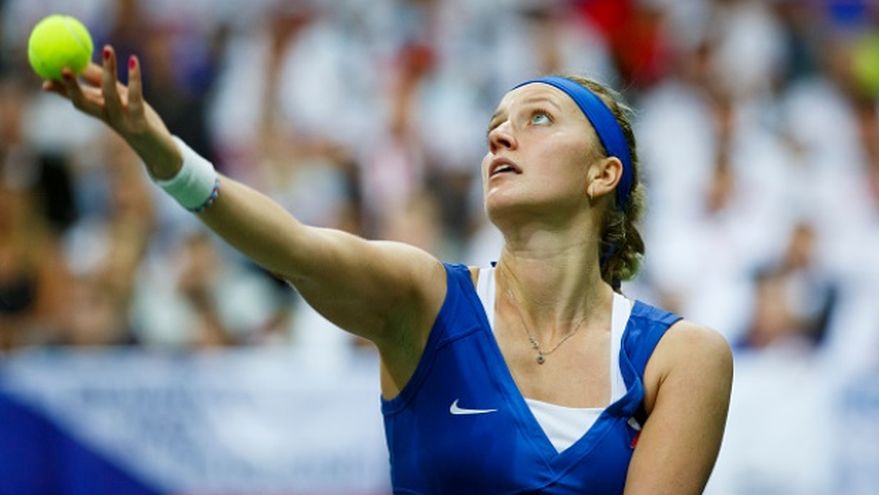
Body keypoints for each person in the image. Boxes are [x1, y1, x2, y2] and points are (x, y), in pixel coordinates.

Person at [44, 45, 733, 494]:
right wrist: (165, 155)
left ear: (603, 174)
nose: (500, 134)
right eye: (495, 125)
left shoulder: (682, 358)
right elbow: (292, 246)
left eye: (539, 119)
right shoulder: (423, 299)